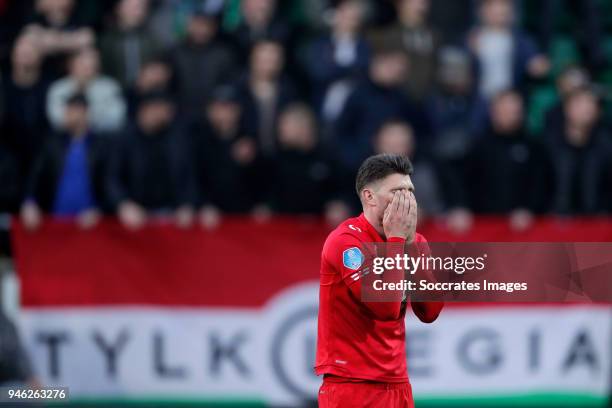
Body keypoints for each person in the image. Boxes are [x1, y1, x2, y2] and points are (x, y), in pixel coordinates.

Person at [315, 153, 443, 408]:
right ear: (369, 196)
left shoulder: (414, 242)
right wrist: (397, 241)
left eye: (410, 191)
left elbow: (430, 311)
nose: (407, 200)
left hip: (397, 384)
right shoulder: (346, 242)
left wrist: (407, 244)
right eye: (397, 191)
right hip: (351, 385)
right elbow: (384, 308)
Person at [106, 92, 197, 229]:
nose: (166, 115)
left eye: (168, 111)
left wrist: (188, 204)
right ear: (145, 111)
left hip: (172, 215)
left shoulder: (178, 138)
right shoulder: (124, 139)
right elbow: (112, 177)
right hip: (135, 215)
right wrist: (123, 204)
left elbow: (189, 176)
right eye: (161, 110)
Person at [20, 93, 108, 230]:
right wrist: (30, 203)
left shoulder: (101, 145)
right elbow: (36, 175)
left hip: (89, 223)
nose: (70, 115)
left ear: (86, 113)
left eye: (75, 110)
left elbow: (108, 182)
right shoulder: (52, 142)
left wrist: (100, 210)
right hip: (54, 221)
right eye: (68, 110)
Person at [466, 90, 551, 230]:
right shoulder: (478, 145)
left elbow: (540, 183)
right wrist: (463, 208)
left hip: (525, 224)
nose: (510, 115)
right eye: (505, 110)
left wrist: (529, 209)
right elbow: (468, 182)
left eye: (515, 111)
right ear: (493, 112)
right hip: (483, 224)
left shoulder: (534, 146)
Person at [270, 103, 350, 226]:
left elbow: (342, 189)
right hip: (284, 232)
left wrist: (339, 204)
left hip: (321, 233)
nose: (280, 129)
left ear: (303, 127)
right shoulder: (276, 159)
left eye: (286, 125)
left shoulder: (328, 158)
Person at [546, 87, 612, 214]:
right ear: (566, 108)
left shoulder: (606, 146)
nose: (586, 109)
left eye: (591, 104)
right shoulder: (549, 145)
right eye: (580, 103)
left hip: (598, 222)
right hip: (555, 222)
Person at [468, 0, 549, 100]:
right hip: (479, 98)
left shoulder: (520, 40)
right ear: (483, 11)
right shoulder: (473, 38)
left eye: (503, 6)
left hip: (509, 99)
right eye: (493, 7)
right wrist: (470, 53)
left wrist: (538, 66)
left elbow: (536, 63)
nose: (499, 11)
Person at [304, 0, 370, 122]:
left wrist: (335, 68)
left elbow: (365, 73)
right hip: (324, 106)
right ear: (334, 16)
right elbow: (318, 73)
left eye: (354, 16)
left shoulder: (365, 46)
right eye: (346, 14)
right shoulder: (320, 45)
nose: (350, 20)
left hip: (358, 109)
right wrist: (350, 69)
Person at [368, 0, 440, 101]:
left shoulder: (434, 36)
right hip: (395, 101)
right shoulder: (382, 37)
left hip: (427, 103)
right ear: (400, 4)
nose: (421, 4)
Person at [235, 39, 297, 157]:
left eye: (274, 60)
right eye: (264, 59)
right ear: (253, 59)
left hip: (280, 155)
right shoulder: (238, 87)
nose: (269, 64)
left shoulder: (289, 89)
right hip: (246, 156)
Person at [170, 9, 237, 114]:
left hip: (213, 114)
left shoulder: (223, 55)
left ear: (213, 29)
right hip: (180, 113)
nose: (201, 30)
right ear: (189, 26)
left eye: (206, 25)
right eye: (197, 25)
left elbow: (228, 85)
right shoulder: (175, 53)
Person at [46, 47, 126, 132]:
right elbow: (55, 119)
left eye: (91, 65)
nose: (86, 70)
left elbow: (117, 117)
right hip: (66, 137)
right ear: (71, 65)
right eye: (82, 65)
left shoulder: (110, 87)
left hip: (101, 137)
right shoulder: (58, 88)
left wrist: (85, 119)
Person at [99, 0, 162, 88]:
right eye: (131, 6)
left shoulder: (153, 40)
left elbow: (159, 67)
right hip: (115, 91)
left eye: (140, 7)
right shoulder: (107, 41)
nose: (137, 11)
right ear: (118, 8)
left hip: (146, 90)